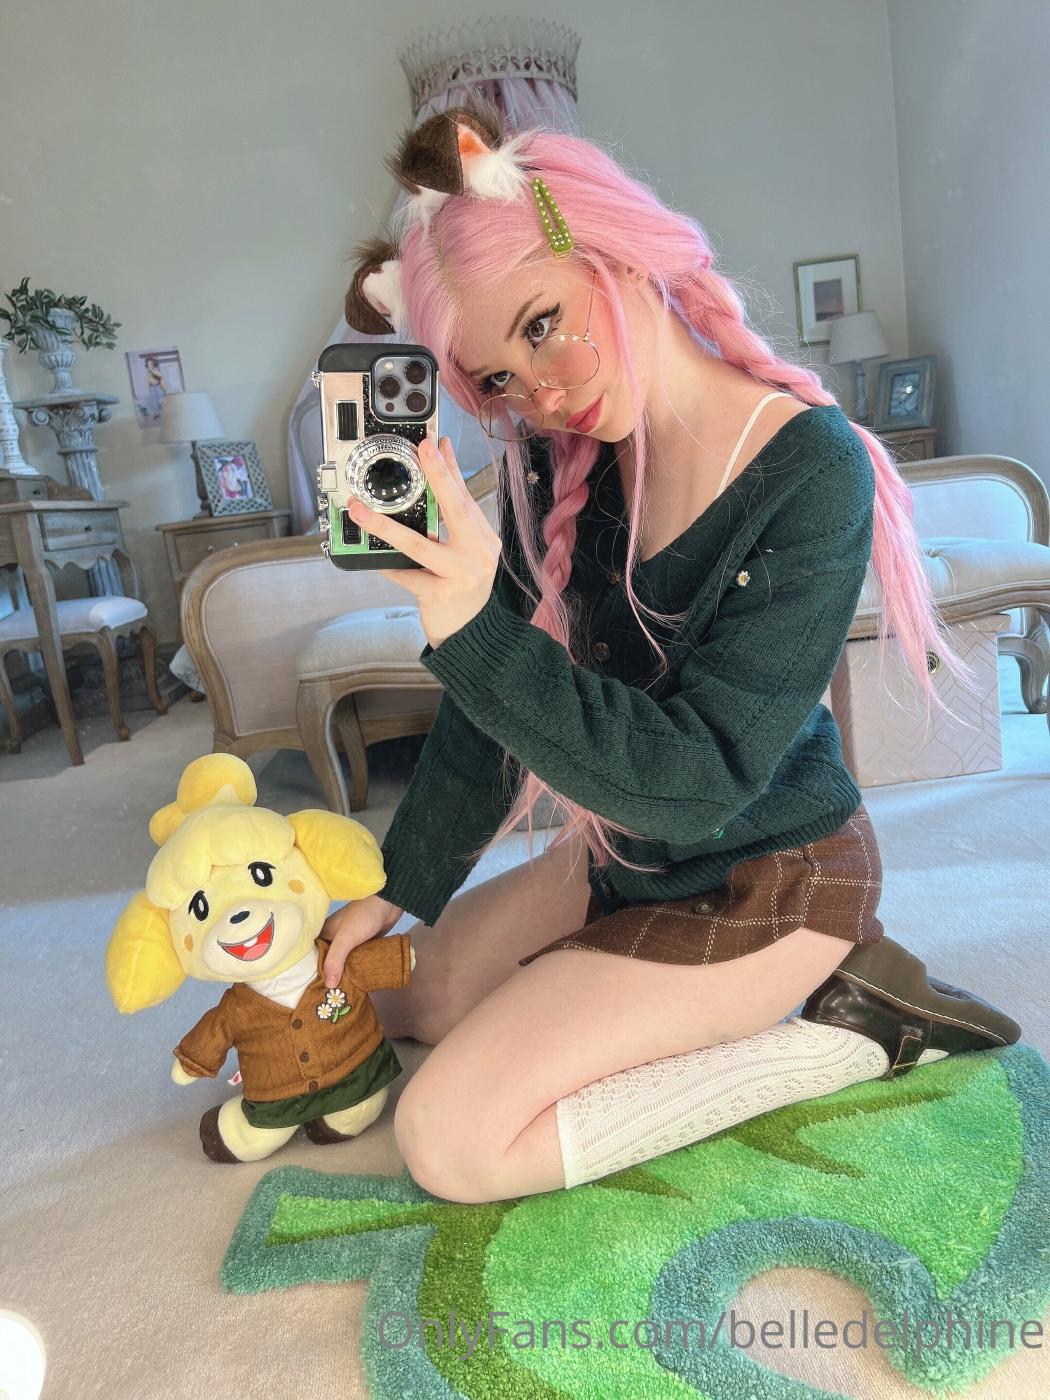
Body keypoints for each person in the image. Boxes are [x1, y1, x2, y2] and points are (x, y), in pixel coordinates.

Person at [320, 96, 1021, 1204]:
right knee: (421, 992)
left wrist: (469, 628)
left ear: (617, 251)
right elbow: (487, 724)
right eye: (497, 378)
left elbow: (700, 783)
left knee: (450, 1139)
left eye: (542, 323)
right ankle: (650, 987)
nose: (541, 391)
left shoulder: (810, 469)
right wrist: (395, 885)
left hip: (769, 877)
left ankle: (853, 1029)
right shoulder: (560, 457)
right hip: (626, 856)